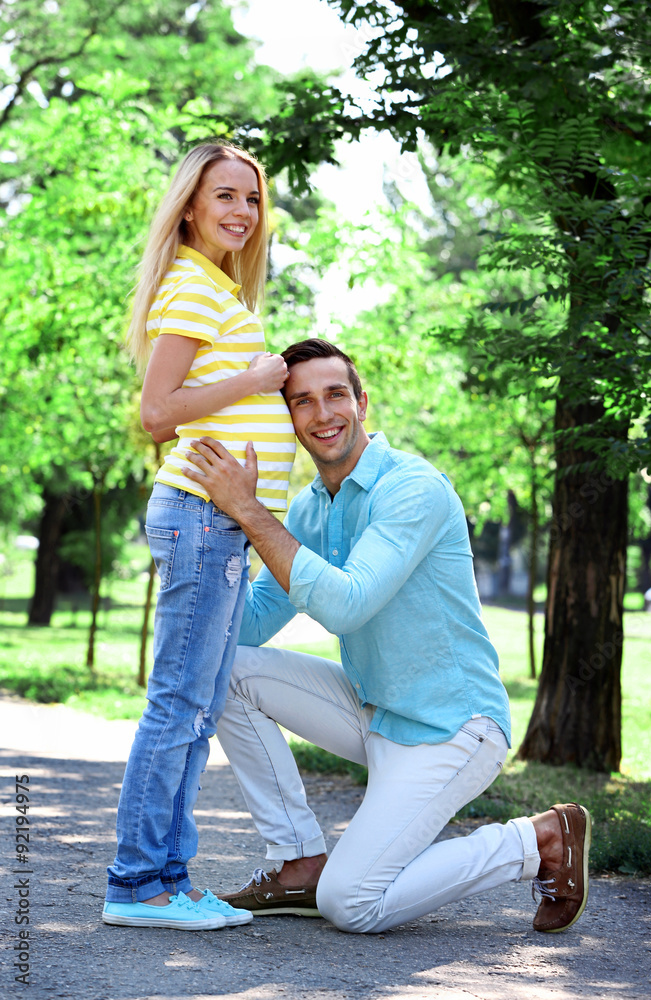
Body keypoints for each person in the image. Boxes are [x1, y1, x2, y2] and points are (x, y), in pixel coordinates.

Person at [183, 338, 591, 936]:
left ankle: (536, 840)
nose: (323, 414)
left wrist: (248, 511)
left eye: (336, 395)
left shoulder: (412, 488)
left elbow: (348, 604)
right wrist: (196, 555)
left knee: (352, 905)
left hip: (451, 727)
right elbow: (253, 620)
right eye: (302, 402)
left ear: (362, 402)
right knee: (228, 668)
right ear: (287, 417)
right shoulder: (308, 509)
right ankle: (298, 859)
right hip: (373, 711)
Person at [103, 142, 296, 931]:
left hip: (220, 525)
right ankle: (138, 884)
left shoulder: (218, 289)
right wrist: (254, 380)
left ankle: (171, 880)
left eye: (251, 199)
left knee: (198, 706)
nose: (241, 212)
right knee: (179, 703)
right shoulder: (190, 285)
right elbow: (157, 411)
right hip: (199, 518)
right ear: (189, 207)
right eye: (224, 196)